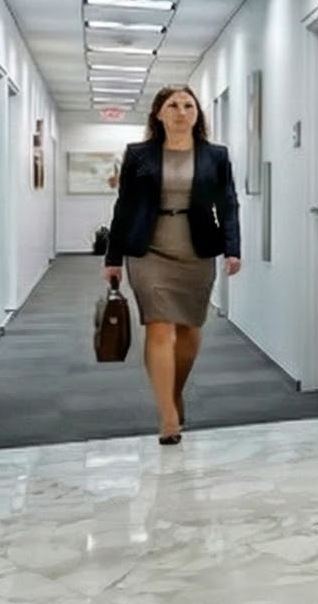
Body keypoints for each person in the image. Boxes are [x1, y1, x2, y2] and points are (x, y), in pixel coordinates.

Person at [103, 85, 241, 445]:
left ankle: (174, 392)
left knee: (190, 331)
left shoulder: (216, 155)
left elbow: (228, 205)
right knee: (160, 328)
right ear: (159, 114)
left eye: (188, 105)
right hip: (148, 249)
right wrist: (113, 257)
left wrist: (232, 248)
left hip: (196, 250)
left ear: (197, 113)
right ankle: (167, 415)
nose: (182, 111)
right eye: (173, 105)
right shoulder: (139, 155)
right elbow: (125, 207)